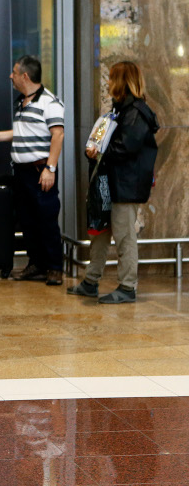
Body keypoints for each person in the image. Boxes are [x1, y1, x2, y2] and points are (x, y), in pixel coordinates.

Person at [68, 61, 158, 304]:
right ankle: (91, 280)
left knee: (124, 235)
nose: (107, 82)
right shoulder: (121, 111)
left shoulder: (136, 113)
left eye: (111, 78)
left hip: (125, 186)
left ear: (122, 81)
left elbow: (125, 148)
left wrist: (97, 152)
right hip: (111, 184)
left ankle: (128, 287)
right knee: (100, 232)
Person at [0, 55, 65, 286]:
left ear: (24, 76)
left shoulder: (49, 102)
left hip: (40, 172)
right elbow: (24, 131)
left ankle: (55, 268)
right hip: (22, 173)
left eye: (14, 72)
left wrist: (50, 168)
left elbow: (58, 134)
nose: (11, 76)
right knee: (28, 222)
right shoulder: (23, 102)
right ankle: (36, 265)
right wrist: (0, 135)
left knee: (46, 221)